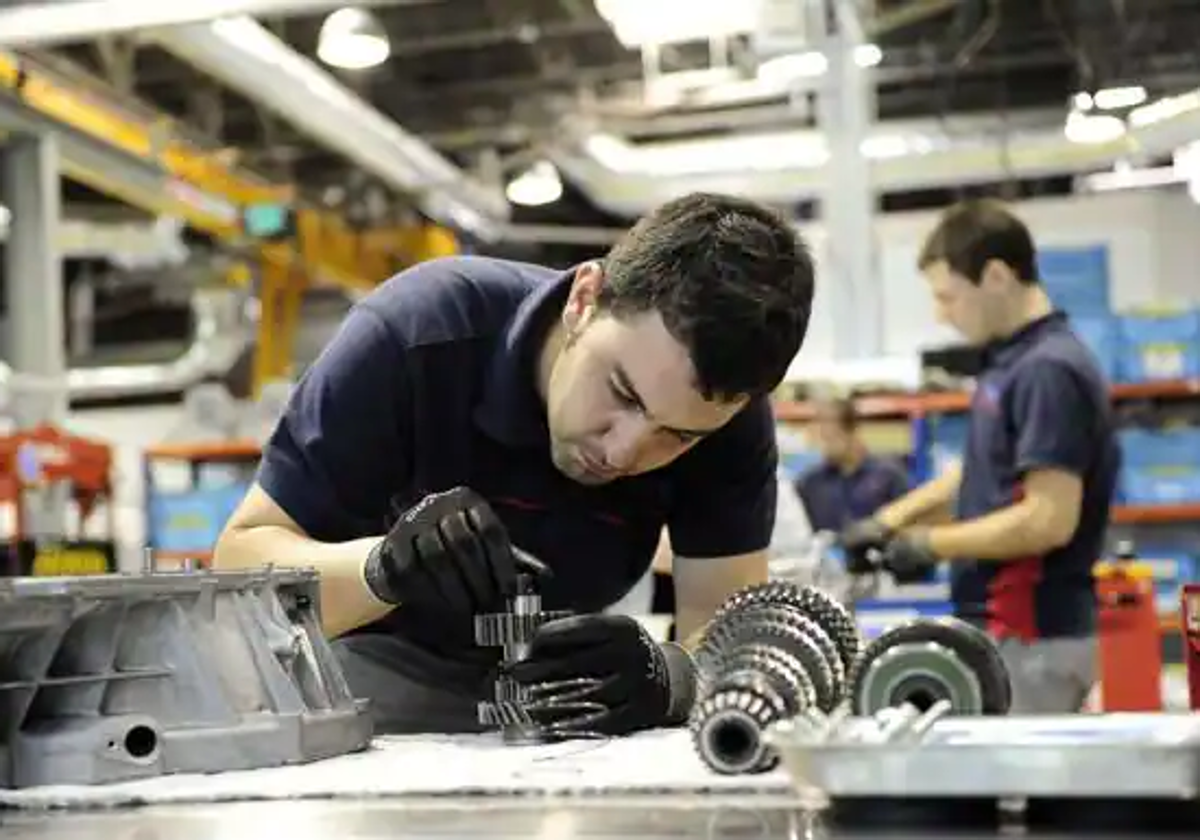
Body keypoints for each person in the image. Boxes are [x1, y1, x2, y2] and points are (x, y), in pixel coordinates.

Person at [212, 192, 815, 737]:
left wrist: (673, 674)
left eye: (678, 437)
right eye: (622, 394)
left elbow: (723, 622)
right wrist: (383, 570)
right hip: (360, 701)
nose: (623, 452)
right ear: (584, 299)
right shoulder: (416, 335)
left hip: (553, 717)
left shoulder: (727, 420)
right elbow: (239, 572)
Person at [841, 198, 1119, 714]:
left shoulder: (1048, 370)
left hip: (1032, 636)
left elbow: (1049, 520)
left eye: (948, 297)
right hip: (1003, 632)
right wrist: (888, 521)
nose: (941, 315)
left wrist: (930, 545)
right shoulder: (1011, 362)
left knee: (1008, 790)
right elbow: (981, 473)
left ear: (996, 276)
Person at [794, 396, 909, 535]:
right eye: (820, 437)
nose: (824, 445)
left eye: (830, 436)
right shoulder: (809, 484)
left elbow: (909, 526)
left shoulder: (889, 476)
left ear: (853, 430)